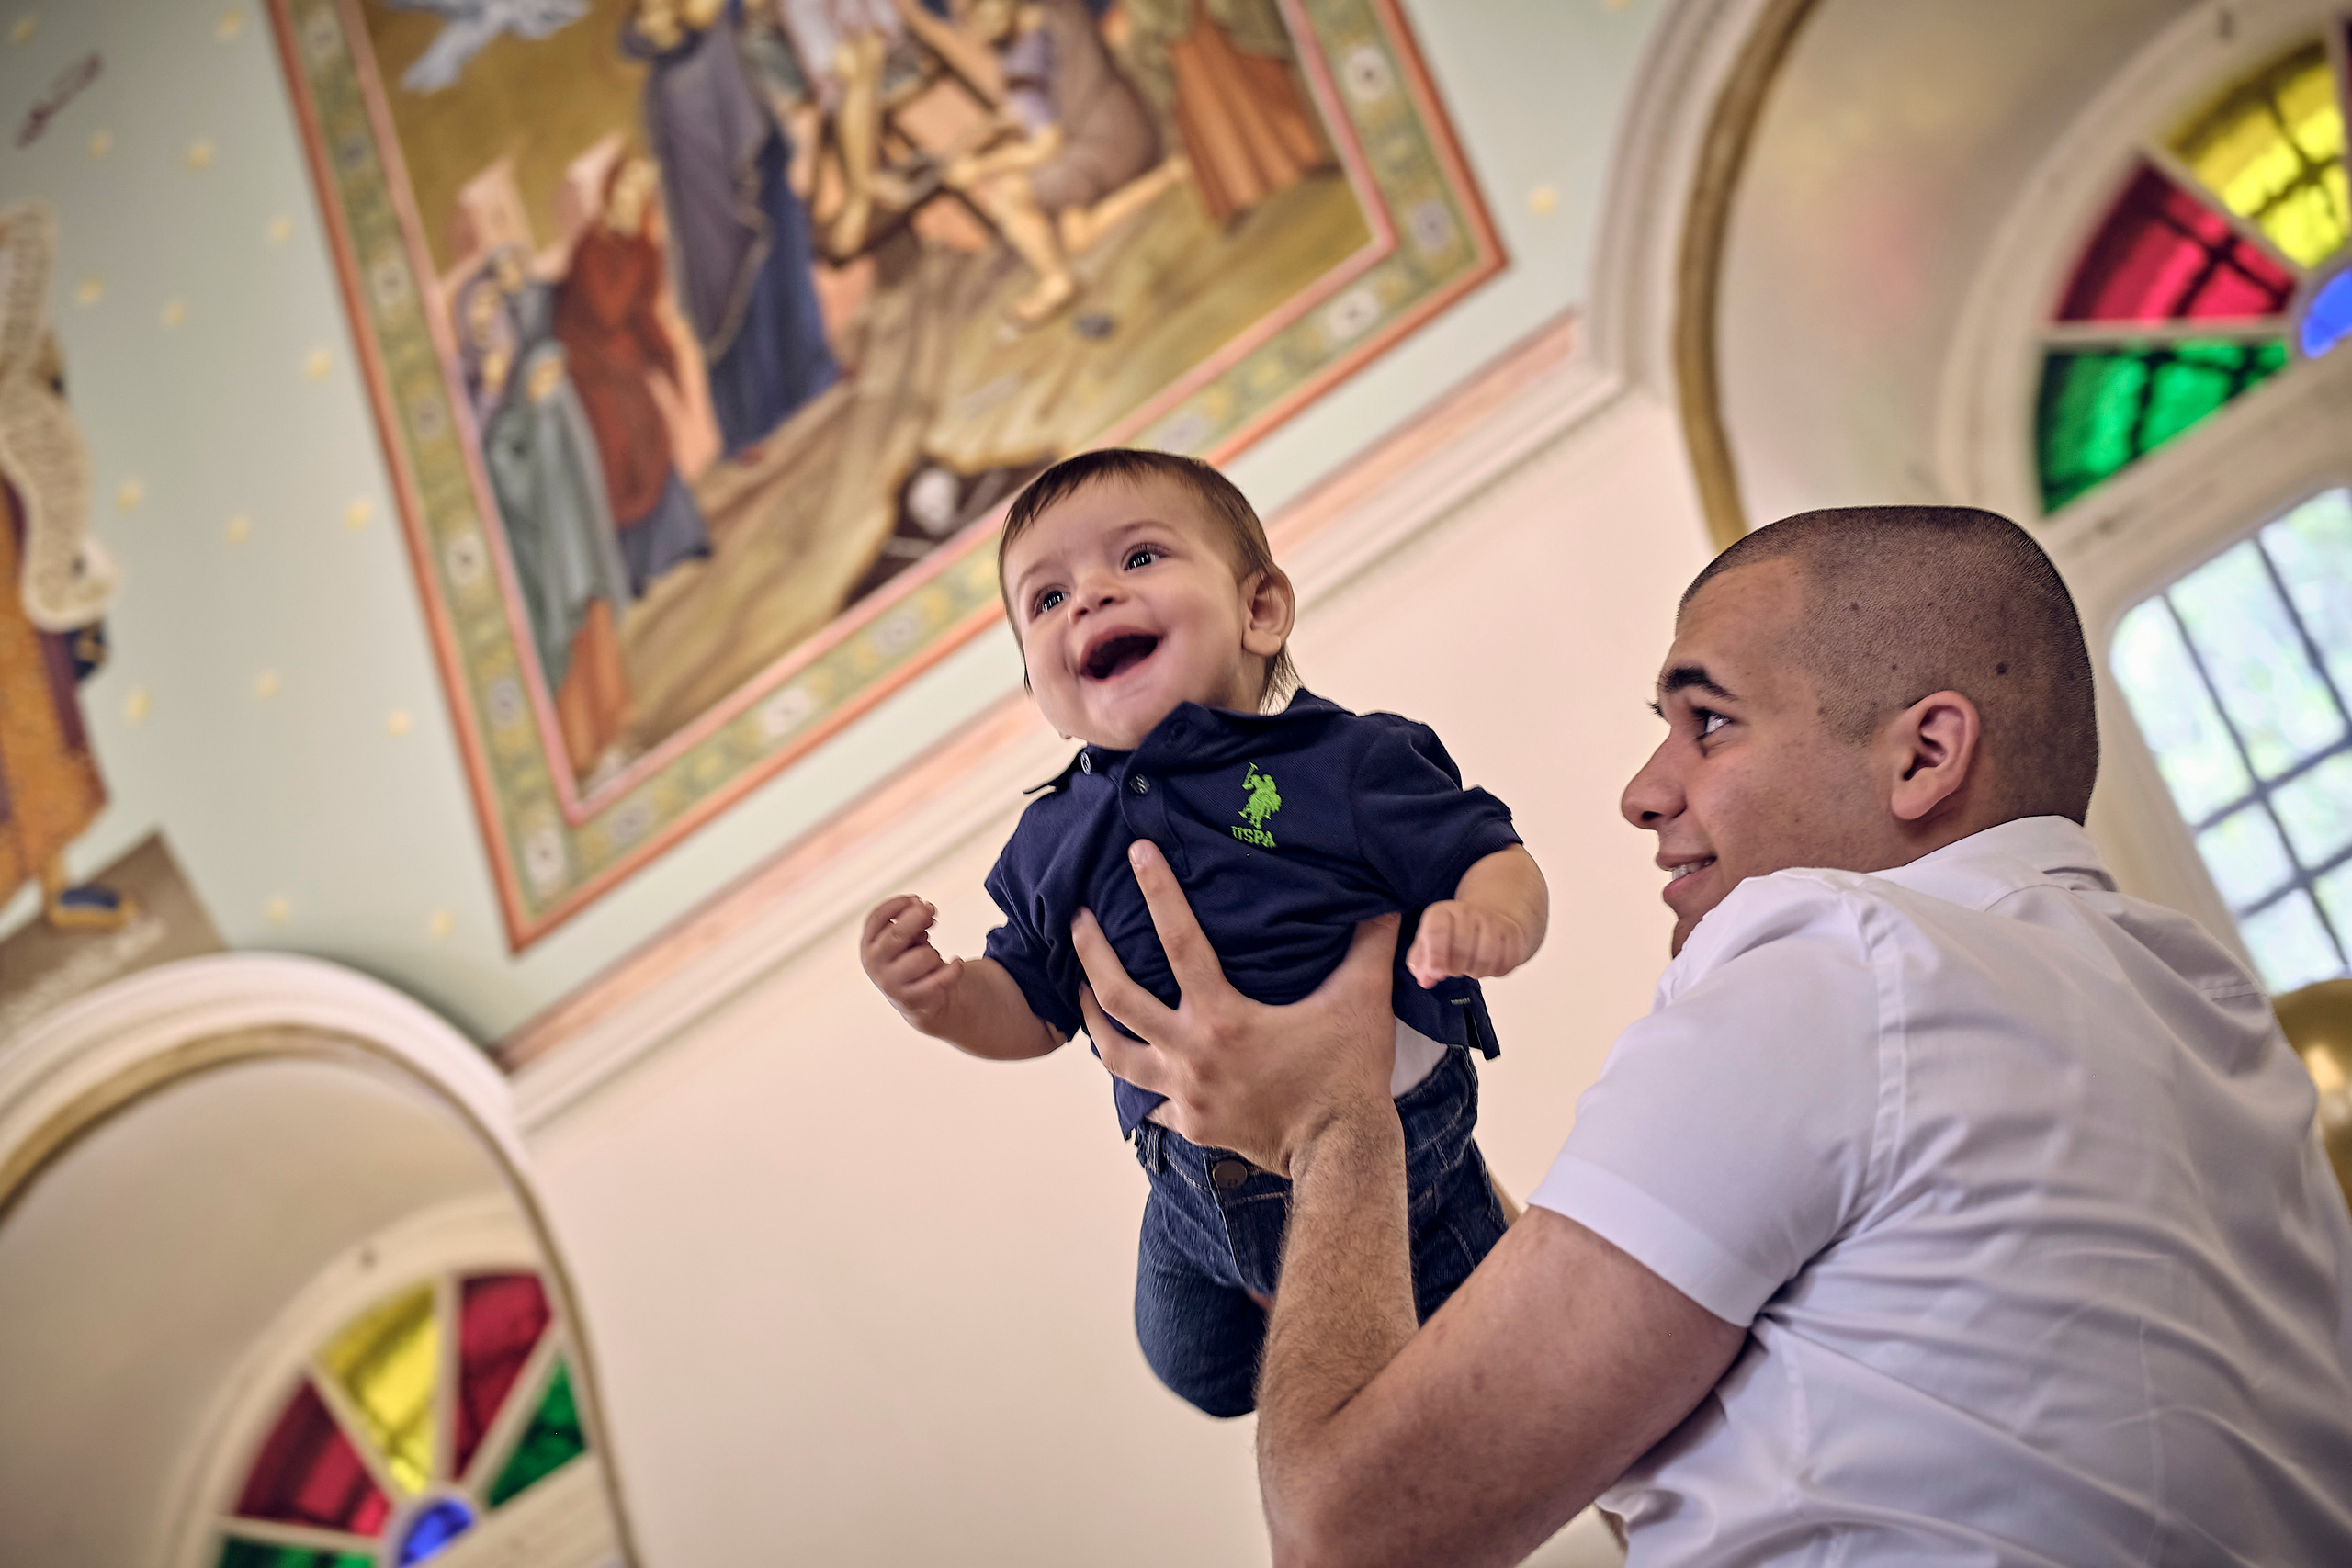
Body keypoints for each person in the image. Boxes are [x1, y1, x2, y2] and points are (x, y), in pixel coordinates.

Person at [1076, 506, 2352, 1565]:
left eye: (1710, 720)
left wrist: (1331, 1118)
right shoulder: (2205, 1007)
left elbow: (1352, 1531)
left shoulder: (1836, 958)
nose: (1645, 790)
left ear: (1924, 755)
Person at [859, 449, 1549, 1417]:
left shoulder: (1345, 760)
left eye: (1138, 559)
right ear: (1042, 695)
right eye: (1046, 599)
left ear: (1259, 611)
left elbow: (1490, 852)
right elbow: (1029, 1006)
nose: (1089, 599)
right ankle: (1277, 1300)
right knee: (1200, 1373)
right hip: (1187, 1190)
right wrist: (940, 999)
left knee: (1509, 1369)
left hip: (1400, 1167)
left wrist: (1492, 917)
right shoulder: (1048, 842)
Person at [627, 0, 841, 457]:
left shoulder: (716, 42)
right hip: (713, 217)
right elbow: (682, 171)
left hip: (762, 174)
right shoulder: (662, 90)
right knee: (736, 307)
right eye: (649, 12)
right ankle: (751, 424)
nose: (662, 16)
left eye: (665, 7)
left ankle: (813, 375)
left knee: (788, 280)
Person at [553, 155, 714, 597]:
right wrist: (632, 254)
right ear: (610, 191)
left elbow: (644, 316)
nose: (632, 199)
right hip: (592, 378)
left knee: (653, 441)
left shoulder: (642, 248)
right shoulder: (592, 248)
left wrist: (670, 365)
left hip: (627, 370)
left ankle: (681, 542)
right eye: (626, 188)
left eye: (641, 191)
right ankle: (633, 572)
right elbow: (606, 312)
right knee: (617, 468)